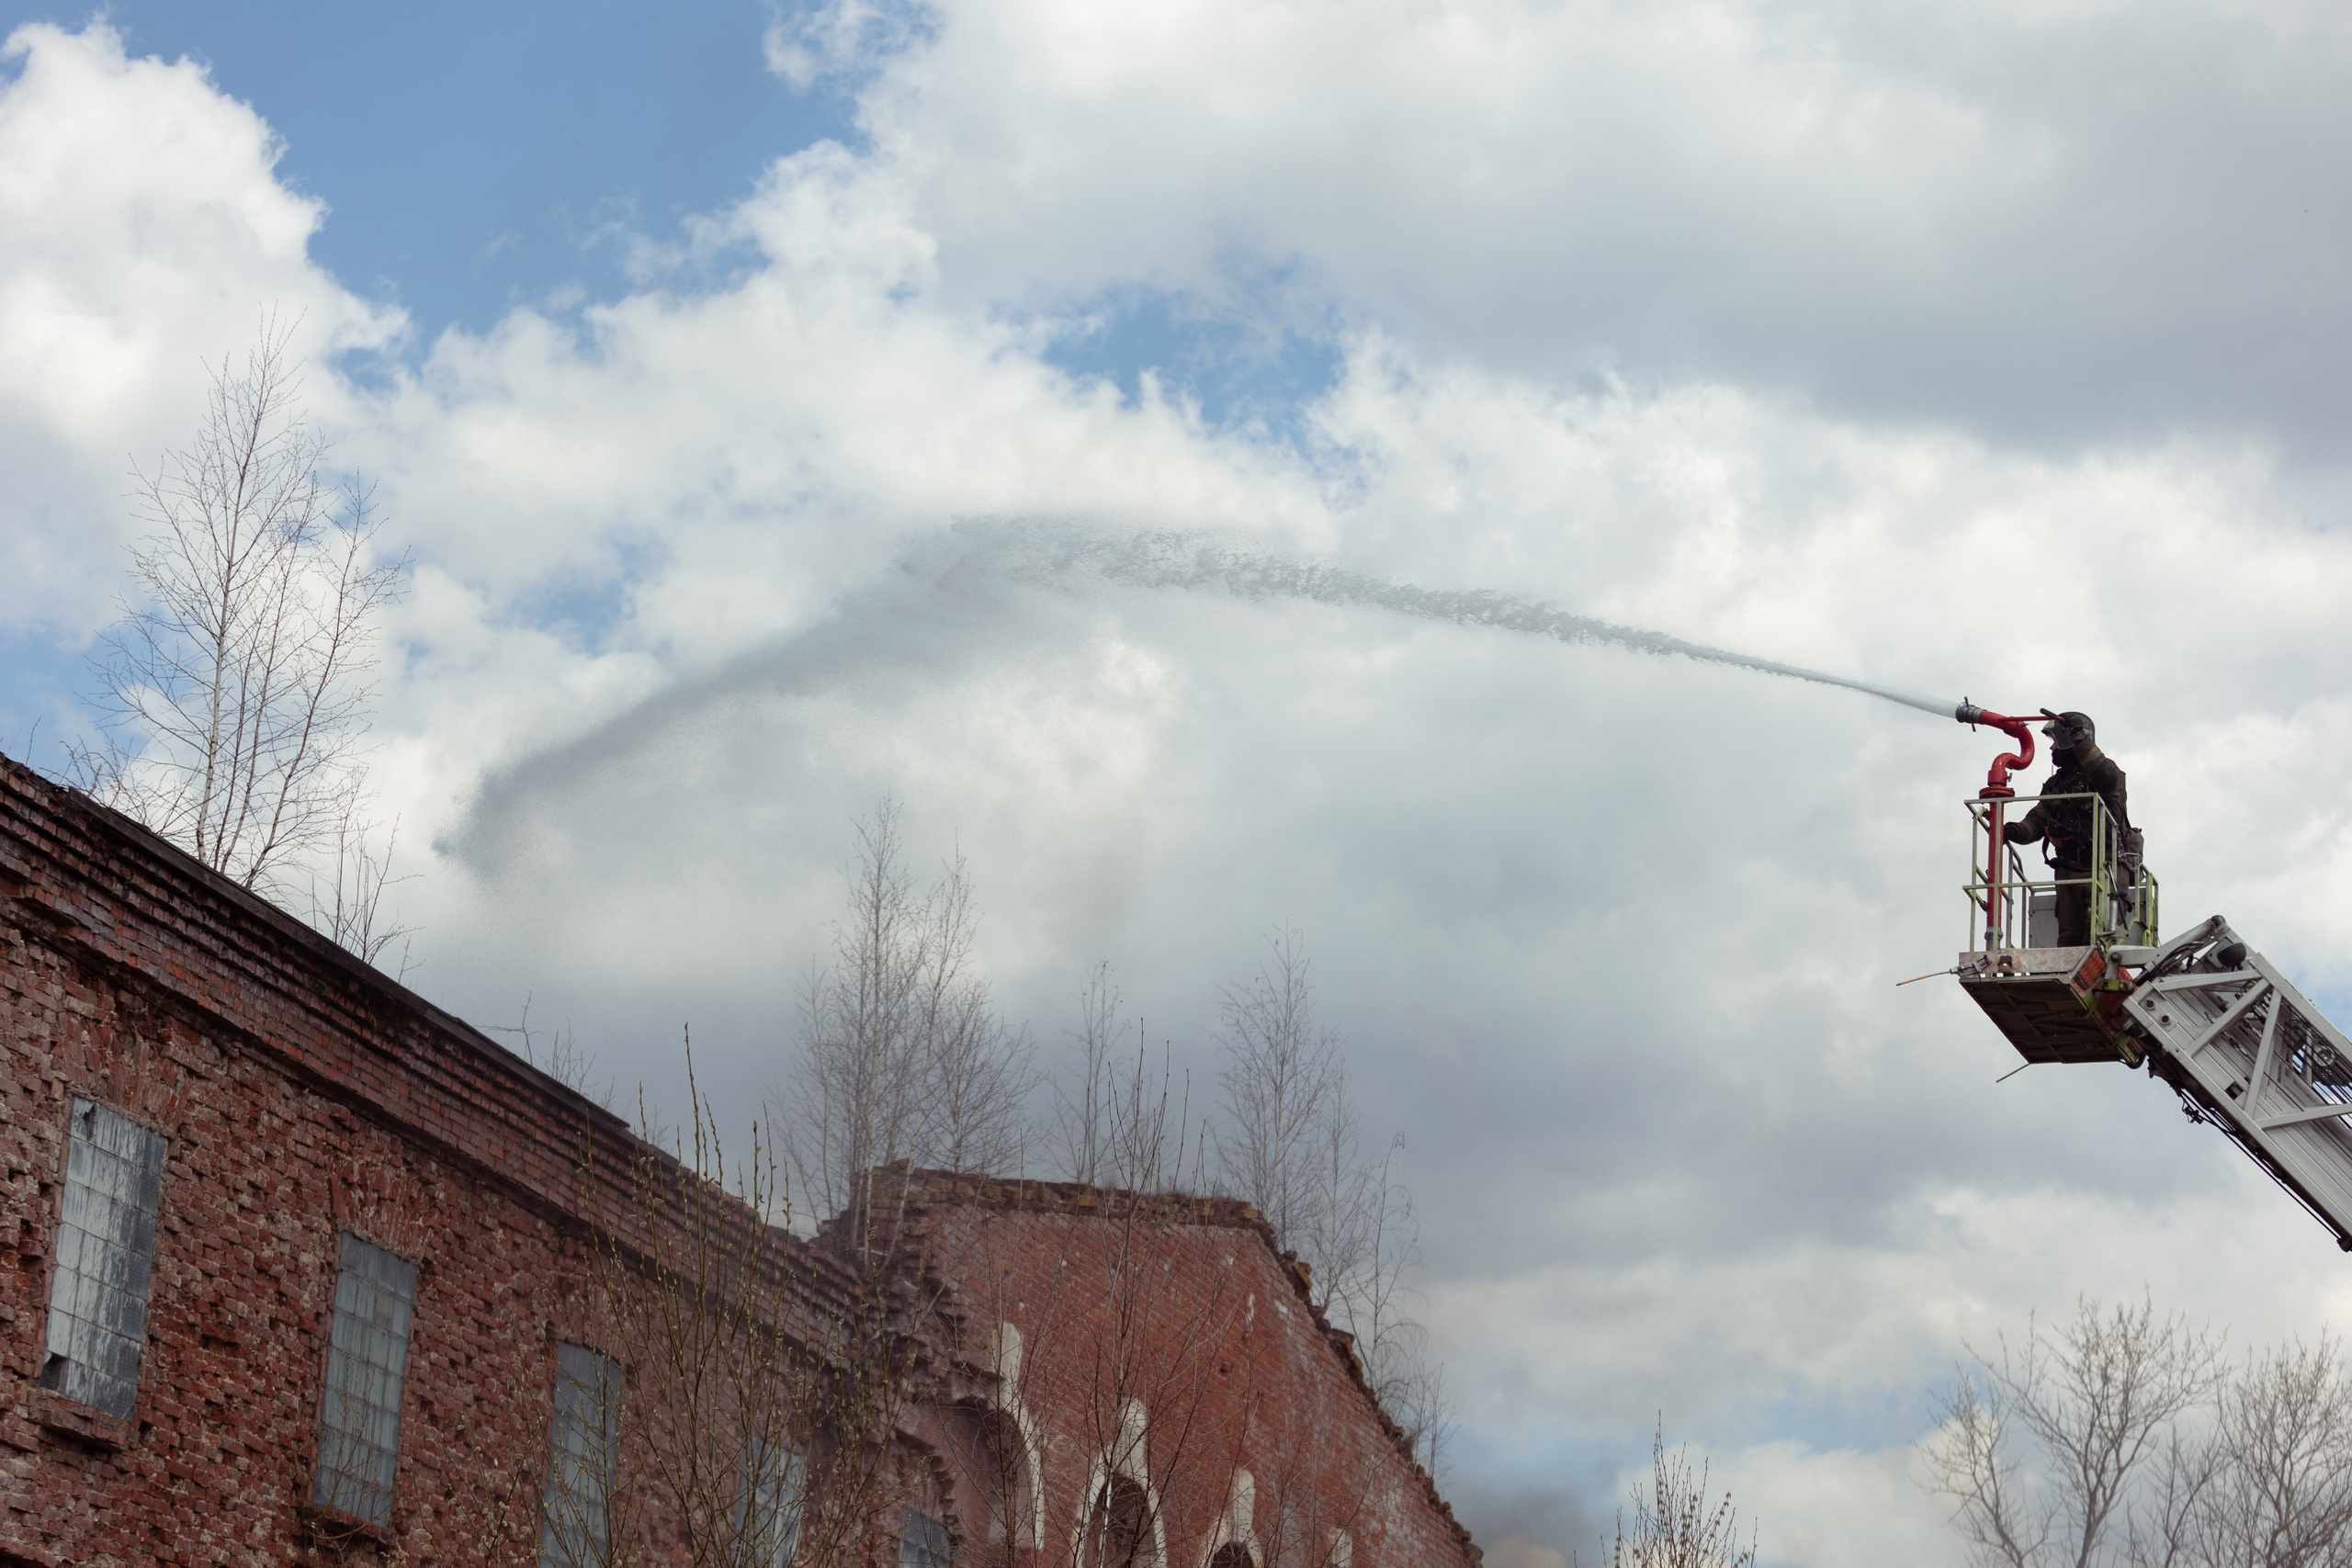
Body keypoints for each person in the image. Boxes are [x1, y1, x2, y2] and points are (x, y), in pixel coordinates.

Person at [2003, 711, 2142, 945]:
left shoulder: (2107, 774)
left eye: (2055, 741)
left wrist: (2080, 740)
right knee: (2069, 944)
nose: (2051, 748)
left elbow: (2105, 777)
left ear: (2070, 740)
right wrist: (2016, 831)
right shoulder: (2056, 785)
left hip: (2105, 867)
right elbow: (2037, 821)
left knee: (2098, 940)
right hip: (2068, 871)